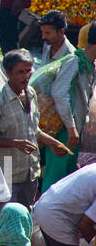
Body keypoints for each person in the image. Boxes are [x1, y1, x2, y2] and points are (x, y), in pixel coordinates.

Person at [0, 49, 69, 208]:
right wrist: (15, 143)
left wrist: (52, 143)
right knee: (7, 223)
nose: (26, 76)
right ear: (8, 72)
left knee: (26, 216)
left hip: (30, 172)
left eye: (28, 71)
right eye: (20, 72)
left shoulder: (31, 93)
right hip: (7, 175)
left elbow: (33, 130)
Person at [33, 17, 96, 188]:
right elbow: (59, 93)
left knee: (66, 180)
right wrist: (71, 128)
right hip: (64, 130)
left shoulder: (89, 65)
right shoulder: (73, 61)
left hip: (73, 131)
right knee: (55, 182)